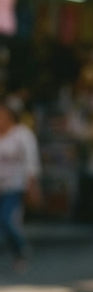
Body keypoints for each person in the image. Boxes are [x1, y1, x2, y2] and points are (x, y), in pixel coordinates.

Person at [0, 98, 41, 272]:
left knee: (7, 220)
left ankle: (21, 250)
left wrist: (31, 184)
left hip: (15, 186)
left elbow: (31, 160)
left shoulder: (22, 134)